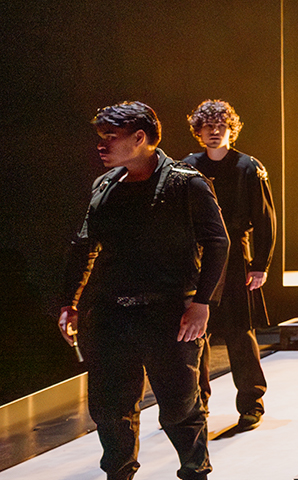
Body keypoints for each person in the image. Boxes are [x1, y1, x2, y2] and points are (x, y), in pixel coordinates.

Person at [59, 101, 227, 480]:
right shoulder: (105, 184)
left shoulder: (187, 181)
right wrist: (70, 303)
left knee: (181, 406)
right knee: (109, 407)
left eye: (110, 138)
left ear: (140, 138)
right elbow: (84, 245)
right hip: (108, 313)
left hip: (168, 313)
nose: (101, 146)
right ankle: (119, 473)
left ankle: (194, 471)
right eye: (100, 137)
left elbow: (218, 242)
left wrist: (202, 303)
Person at [180, 100, 275, 432]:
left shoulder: (248, 167)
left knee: (239, 332)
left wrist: (260, 264)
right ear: (198, 131)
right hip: (197, 257)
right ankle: (196, 405)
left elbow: (264, 219)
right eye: (208, 127)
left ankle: (252, 403)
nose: (214, 132)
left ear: (231, 129)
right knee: (195, 335)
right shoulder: (187, 167)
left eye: (220, 126)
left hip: (235, 257)